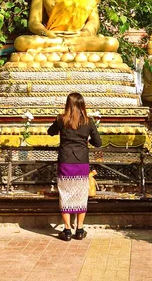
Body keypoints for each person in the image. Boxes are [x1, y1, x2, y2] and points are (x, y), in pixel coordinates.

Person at [47, 92, 102, 241]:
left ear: (67, 104)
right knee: (80, 195)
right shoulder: (88, 122)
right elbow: (98, 142)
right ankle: (79, 229)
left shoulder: (61, 119)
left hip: (65, 161)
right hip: (81, 162)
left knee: (65, 194)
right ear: (82, 104)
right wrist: (85, 141)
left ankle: (67, 230)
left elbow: (50, 132)